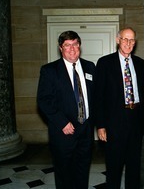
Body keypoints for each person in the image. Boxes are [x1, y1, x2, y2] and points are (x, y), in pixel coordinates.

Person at [37, 31, 95, 189]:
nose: (72, 48)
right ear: (60, 48)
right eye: (67, 45)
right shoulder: (49, 70)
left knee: (82, 171)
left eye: (75, 44)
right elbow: (44, 100)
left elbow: (95, 96)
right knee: (64, 174)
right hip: (63, 131)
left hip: (86, 131)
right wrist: (62, 122)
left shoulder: (90, 67)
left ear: (79, 46)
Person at [94, 27, 144, 188]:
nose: (128, 43)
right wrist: (101, 125)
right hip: (113, 121)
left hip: (135, 119)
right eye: (125, 39)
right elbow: (98, 96)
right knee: (114, 165)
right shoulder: (104, 63)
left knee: (134, 165)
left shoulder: (140, 63)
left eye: (131, 40)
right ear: (118, 40)